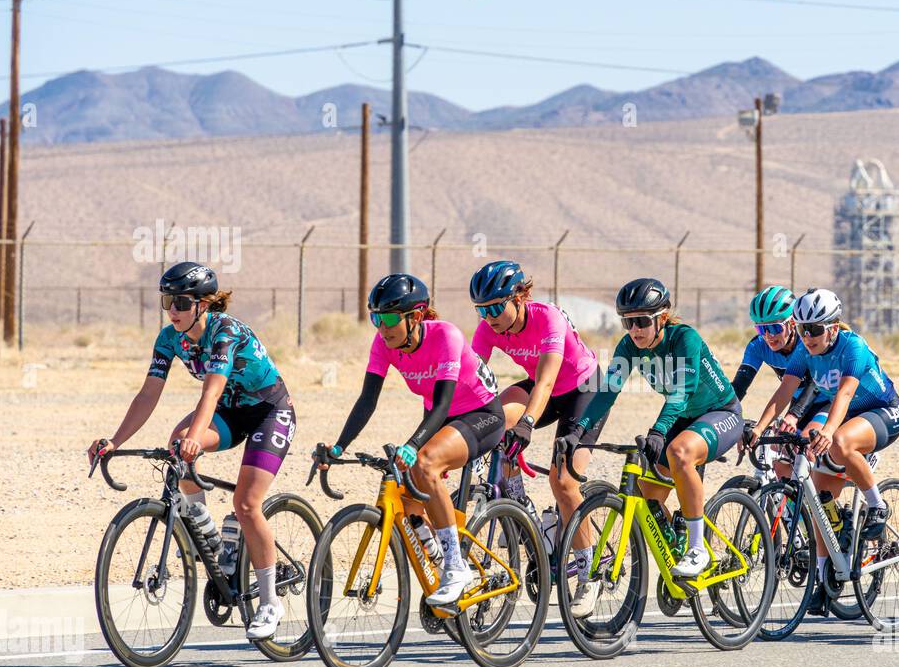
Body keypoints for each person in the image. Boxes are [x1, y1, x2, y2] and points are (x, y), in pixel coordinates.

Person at [87, 262, 295, 640]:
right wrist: (116, 441)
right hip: (230, 412)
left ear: (204, 303)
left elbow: (211, 391)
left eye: (181, 302)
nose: (172, 310)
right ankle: (211, 537)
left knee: (247, 504)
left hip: (268, 411)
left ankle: (269, 603)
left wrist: (196, 437)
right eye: (167, 301)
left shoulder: (224, 332)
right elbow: (149, 393)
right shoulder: (169, 339)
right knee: (176, 445)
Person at [315, 274, 505, 609]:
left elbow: (444, 403)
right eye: (376, 319)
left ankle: (455, 568)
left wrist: (413, 445)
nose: (381, 328)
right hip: (440, 418)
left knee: (424, 461)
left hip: (480, 413)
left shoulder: (446, 335)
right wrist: (338, 447)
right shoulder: (384, 345)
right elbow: (366, 401)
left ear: (415, 316)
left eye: (388, 319)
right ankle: (436, 554)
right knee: (409, 496)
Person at [557, 278, 743, 579]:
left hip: (720, 412)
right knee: (645, 494)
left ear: (662, 318)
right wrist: (578, 431)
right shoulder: (630, 346)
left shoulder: (685, 338)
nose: (634, 330)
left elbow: (681, 393)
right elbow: (607, 391)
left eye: (641, 321)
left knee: (678, 452)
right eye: (627, 322)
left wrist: (658, 430)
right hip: (682, 419)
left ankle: (697, 549)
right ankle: (679, 538)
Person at [468, 259, 606, 617]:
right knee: (493, 418)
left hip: (585, 388)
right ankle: (518, 509)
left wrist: (527, 423)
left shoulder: (548, 318)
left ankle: (588, 573)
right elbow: (471, 384)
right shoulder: (488, 329)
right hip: (545, 389)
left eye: (497, 307)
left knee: (562, 481)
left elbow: (545, 380)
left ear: (520, 296)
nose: (490, 317)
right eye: (482, 311)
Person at [746, 288, 899, 599]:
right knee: (819, 502)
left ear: (833, 326)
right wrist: (759, 430)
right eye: (803, 329)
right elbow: (782, 395)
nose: (808, 336)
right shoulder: (804, 353)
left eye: (815, 330)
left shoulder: (852, 346)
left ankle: (877, 504)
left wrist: (829, 431)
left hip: (882, 411)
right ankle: (823, 578)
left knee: (840, 443)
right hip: (844, 415)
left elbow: (845, 395)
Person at [731, 285, 823, 478]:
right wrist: (722, 416)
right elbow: (739, 386)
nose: (768, 335)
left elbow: (815, 383)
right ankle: (795, 506)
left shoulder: (807, 342)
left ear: (791, 323)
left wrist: (793, 415)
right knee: (779, 459)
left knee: (807, 448)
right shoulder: (758, 346)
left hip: (825, 399)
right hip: (797, 400)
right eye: (761, 328)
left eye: (774, 327)